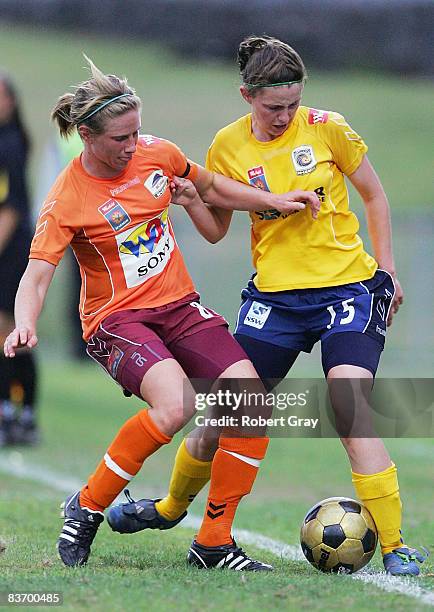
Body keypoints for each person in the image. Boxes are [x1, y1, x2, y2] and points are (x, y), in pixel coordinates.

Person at [108, 35, 428, 577]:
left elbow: (374, 195)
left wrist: (388, 270)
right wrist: (189, 202)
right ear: (246, 96)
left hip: (348, 289)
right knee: (228, 415)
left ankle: (395, 547)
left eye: (292, 104)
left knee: (350, 410)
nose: (285, 116)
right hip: (275, 300)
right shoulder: (227, 147)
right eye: (273, 106)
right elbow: (215, 232)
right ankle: (169, 509)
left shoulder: (328, 128)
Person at [3, 56, 320, 570]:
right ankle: (86, 505)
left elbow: (213, 189)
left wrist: (273, 200)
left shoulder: (158, 154)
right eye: (119, 139)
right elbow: (38, 273)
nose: (132, 146)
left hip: (179, 307)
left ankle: (214, 543)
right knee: (175, 408)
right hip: (117, 320)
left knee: (251, 404)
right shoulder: (66, 198)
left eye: (136, 133)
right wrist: (24, 322)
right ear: (86, 134)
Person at [0, 72, 38, 445]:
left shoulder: (11, 144)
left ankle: (23, 411)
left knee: (13, 332)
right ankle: (13, 410)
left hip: (11, 252)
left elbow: (11, 208)